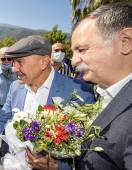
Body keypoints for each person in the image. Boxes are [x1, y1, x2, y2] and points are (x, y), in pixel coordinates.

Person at [26, 2, 132, 169]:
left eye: (82, 50)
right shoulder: (101, 94)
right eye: (73, 52)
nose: (74, 61)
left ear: (125, 42)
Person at [0, 35, 95, 167]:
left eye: (20, 62)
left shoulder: (80, 93)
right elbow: (1, 119)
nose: (14, 68)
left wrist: (57, 167)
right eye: (13, 62)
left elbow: (88, 153)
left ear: (44, 62)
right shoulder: (16, 87)